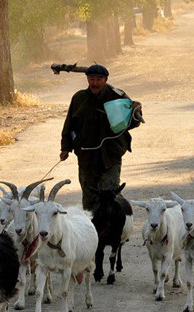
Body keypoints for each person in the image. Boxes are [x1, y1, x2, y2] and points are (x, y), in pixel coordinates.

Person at [58, 64, 143, 211]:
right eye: (92, 79)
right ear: (87, 79)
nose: (95, 83)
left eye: (99, 79)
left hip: (110, 154)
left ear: (105, 80)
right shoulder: (79, 98)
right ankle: (90, 230)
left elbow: (132, 123)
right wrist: (65, 148)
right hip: (86, 155)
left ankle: (113, 228)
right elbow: (69, 125)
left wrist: (135, 111)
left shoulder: (117, 96)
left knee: (110, 194)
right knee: (89, 196)